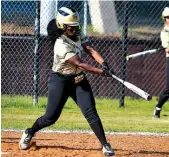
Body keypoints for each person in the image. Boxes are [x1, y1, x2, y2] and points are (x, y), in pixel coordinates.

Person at [19, 7, 115, 156]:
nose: (75, 29)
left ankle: (105, 145)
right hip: (60, 81)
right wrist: (102, 73)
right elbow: (80, 63)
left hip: (79, 80)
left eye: (76, 26)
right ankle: (29, 131)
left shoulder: (77, 33)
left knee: (90, 111)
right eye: (71, 27)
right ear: (62, 26)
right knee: (50, 118)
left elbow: (89, 48)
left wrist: (104, 64)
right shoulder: (60, 44)